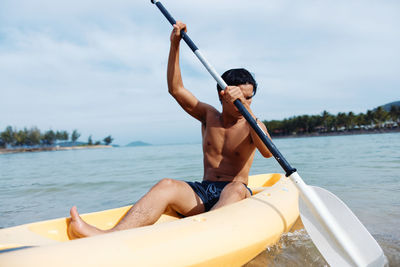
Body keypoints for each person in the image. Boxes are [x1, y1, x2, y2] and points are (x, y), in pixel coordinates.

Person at [68, 21, 272, 238]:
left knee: (237, 188)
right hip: (204, 192)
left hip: (235, 194)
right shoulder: (209, 115)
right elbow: (176, 89)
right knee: (166, 184)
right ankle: (110, 236)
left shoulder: (253, 124)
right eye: (240, 97)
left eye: (249, 98)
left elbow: (268, 152)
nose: (246, 103)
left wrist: (245, 108)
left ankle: (207, 237)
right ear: (224, 95)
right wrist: (174, 45)